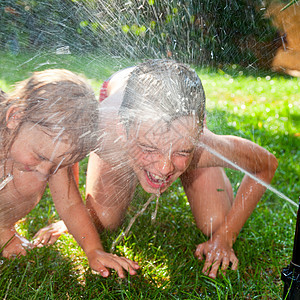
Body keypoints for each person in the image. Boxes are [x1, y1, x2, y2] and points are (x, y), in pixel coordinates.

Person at [34, 60, 278, 279]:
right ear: (123, 129)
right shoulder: (102, 129)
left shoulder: (203, 144)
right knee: (103, 220)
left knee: (214, 223)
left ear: (199, 131)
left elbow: (266, 165)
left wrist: (225, 236)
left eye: (182, 151)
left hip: (176, 106)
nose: (164, 168)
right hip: (125, 91)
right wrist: (73, 214)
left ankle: (181, 158)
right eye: (148, 148)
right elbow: (65, 151)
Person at [0, 69, 139, 278]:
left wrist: (93, 250)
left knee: (28, 178)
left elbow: (71, 204)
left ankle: (3, 228)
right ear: (15, 118)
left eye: (56, 165)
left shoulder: (52, 154)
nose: (46, 171)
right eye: (40, 157)